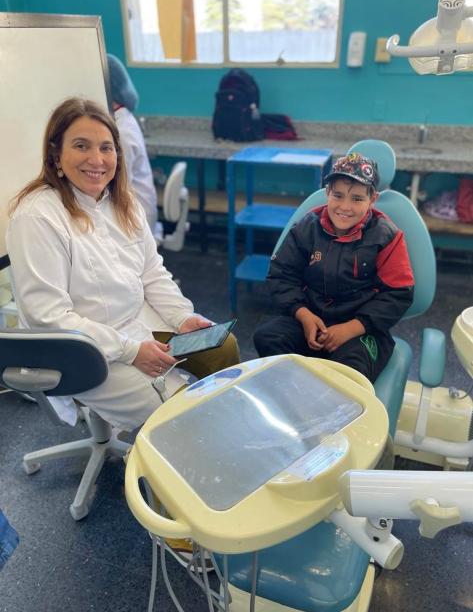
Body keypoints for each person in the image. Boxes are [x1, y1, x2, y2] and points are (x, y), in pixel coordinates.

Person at [7, 97, 240, 432]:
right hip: (83, 350)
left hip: (137, 319)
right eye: (81, 146)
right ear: (56, 154)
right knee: (182, 411)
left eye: (106, 147)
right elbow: (50, 317)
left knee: (223, 348)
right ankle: (175, 461)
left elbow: (152, 272)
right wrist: (131, 351)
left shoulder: (121, 201)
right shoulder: (37, 217)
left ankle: (221, 437)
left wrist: (182, 316)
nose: (97, 159)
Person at [253, 152, 414, 383]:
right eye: (338, 195)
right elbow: (281, 275)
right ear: (327, 193)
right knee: (268, 337)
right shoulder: (306, 228)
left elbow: (398, 294)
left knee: (351, 369)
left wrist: (351, 328)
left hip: (361, 330)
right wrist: (304, 315)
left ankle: (335, 413)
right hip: (311, 321)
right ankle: (296, 399)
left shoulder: (387, 236)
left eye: (357, 199)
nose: (345, 207)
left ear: (373, 199)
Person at [107, 53, 163, 241]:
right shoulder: (124, 117)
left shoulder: (120, 131)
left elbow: (116, 189)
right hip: (139, 213)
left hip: (137, 223)